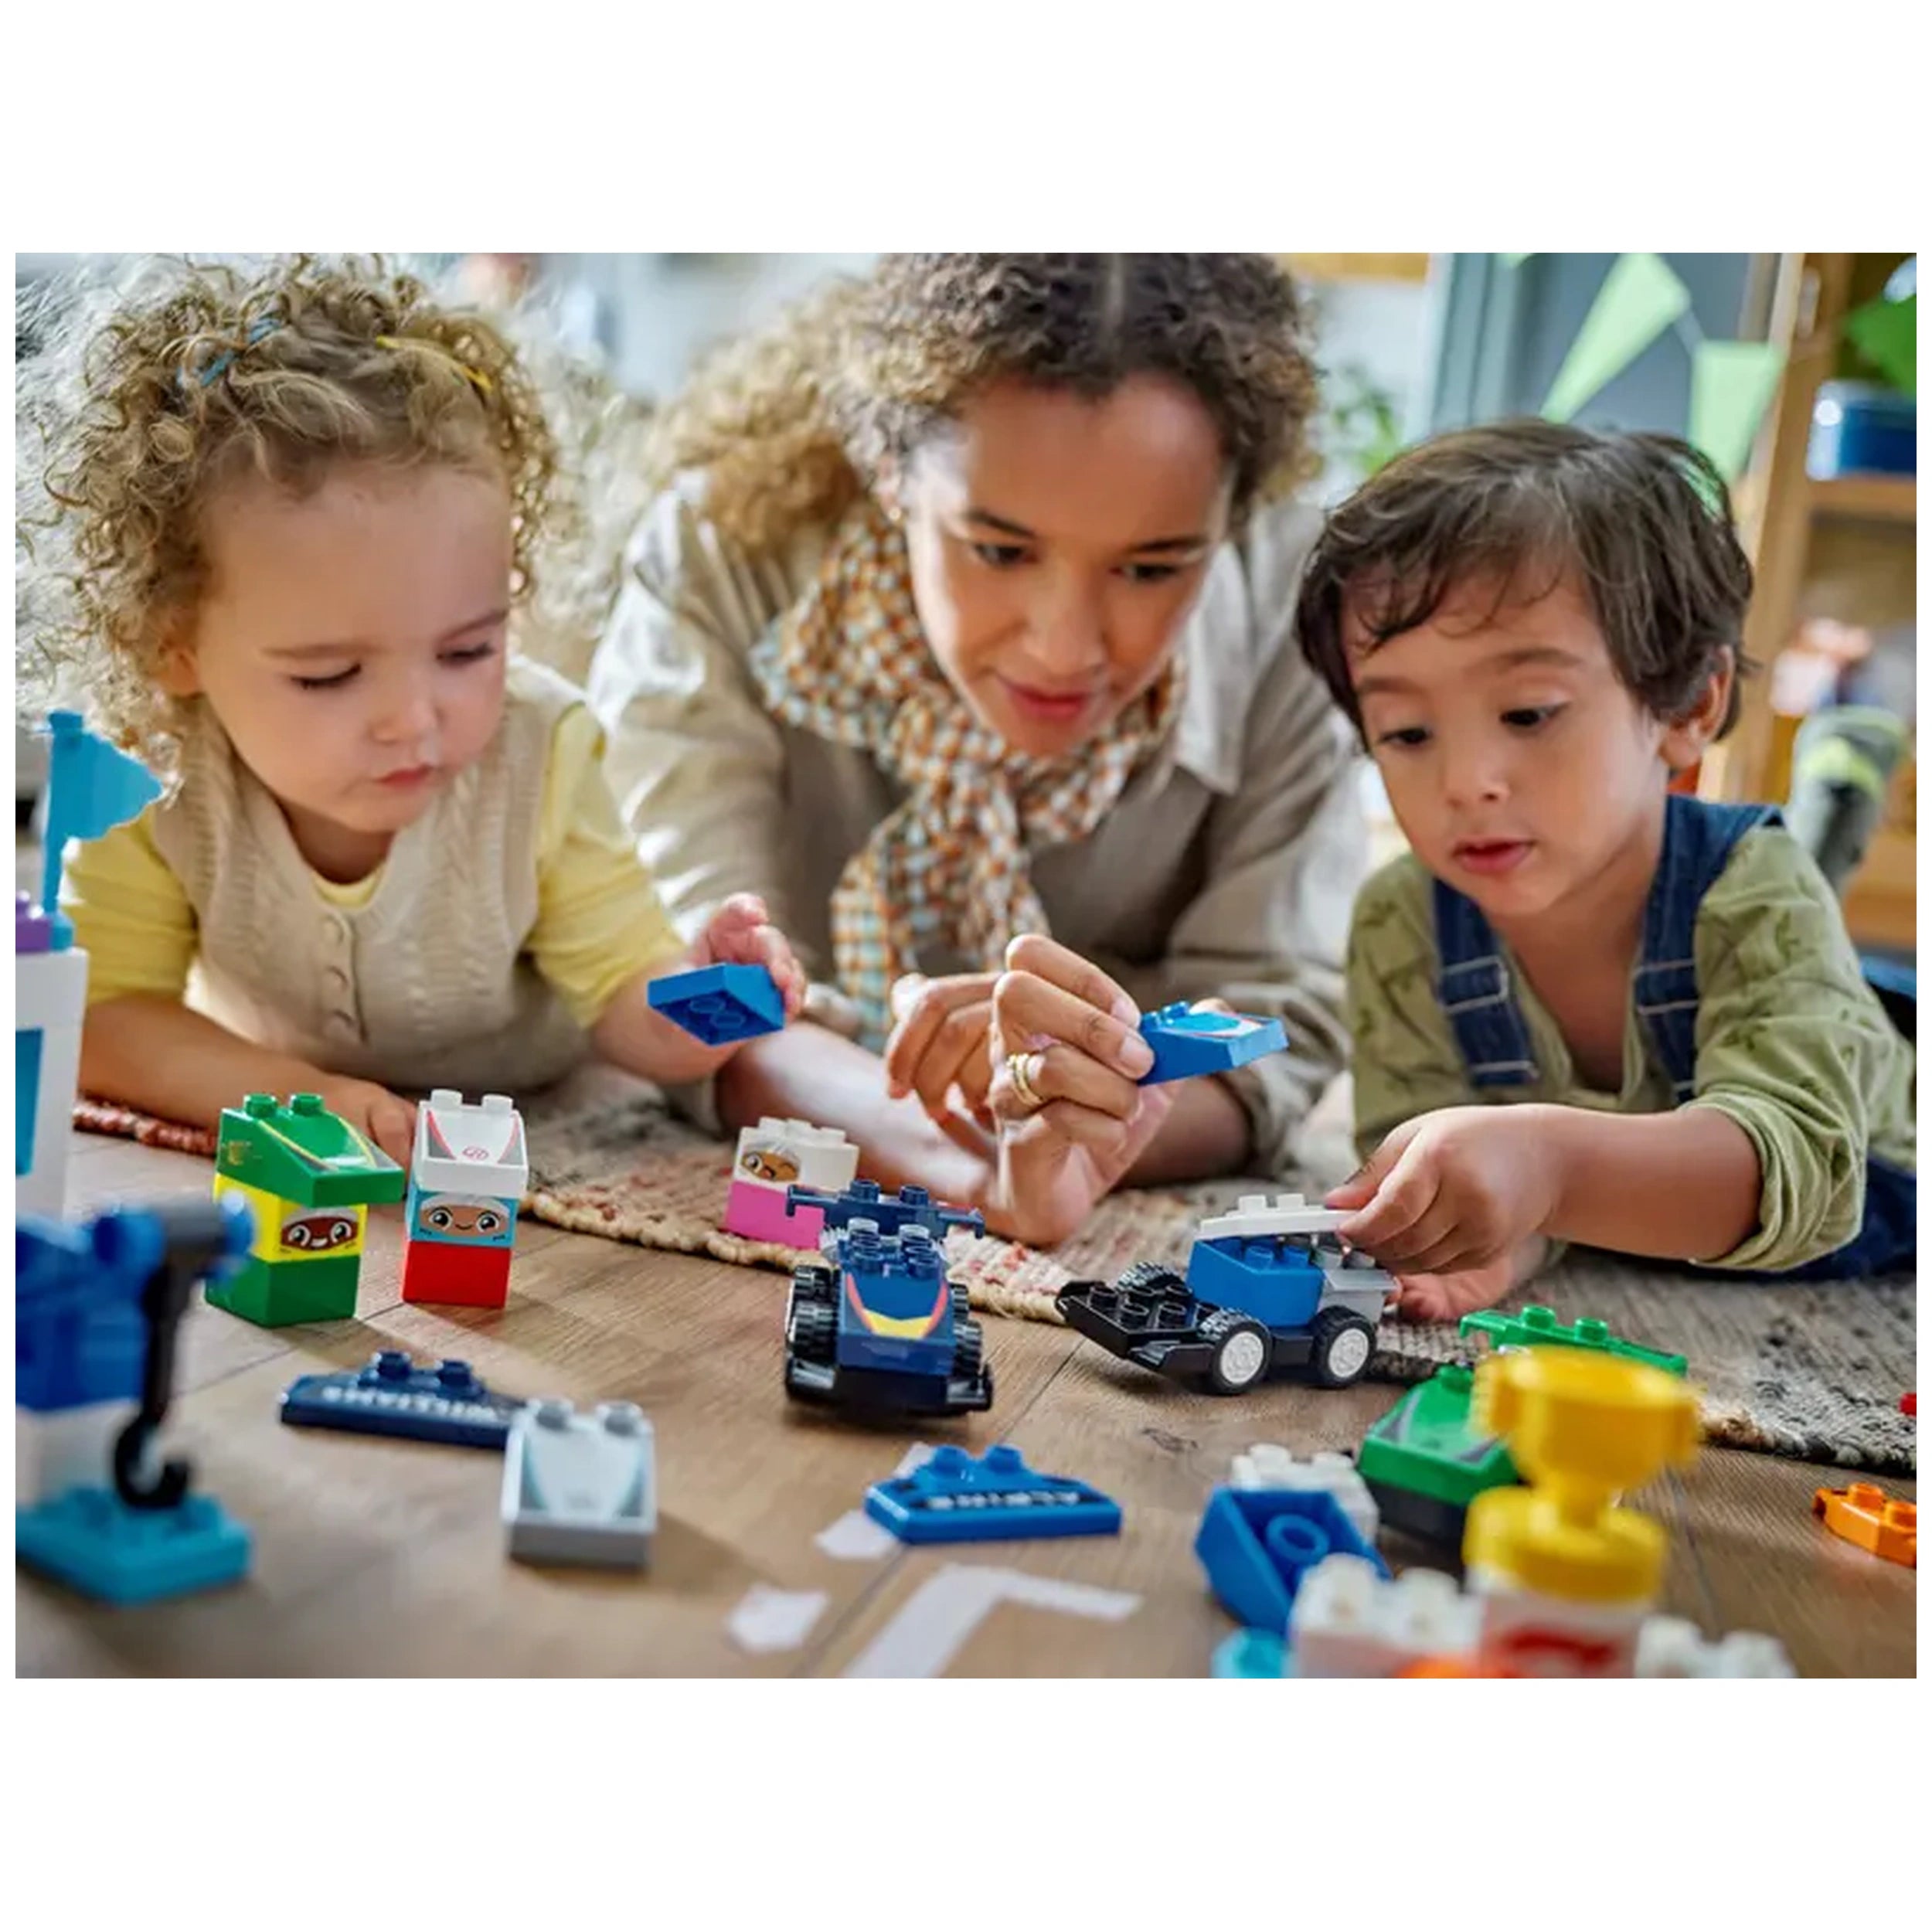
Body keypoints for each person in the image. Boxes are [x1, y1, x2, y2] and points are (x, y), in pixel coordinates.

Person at [588, 253, 1366, 1246]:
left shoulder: (1288, 617)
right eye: (998, 550)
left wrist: (1091, 1124)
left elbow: (1273, 1026)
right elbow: (696, 996)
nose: (1064, 646)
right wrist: (978, 1161)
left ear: (1233, 519)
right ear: (888, 475)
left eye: (1152, 567)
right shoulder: (719, 552)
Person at [17, 254, 804, 1168]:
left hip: (529, 1123)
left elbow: (626, 1000)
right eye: (330, 674)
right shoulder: (147, 770)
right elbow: (106, 1017)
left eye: (468, 651)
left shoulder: (543, 751)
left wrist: (715, 996)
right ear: (170, 643)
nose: (412, 722)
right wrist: (304, 1099)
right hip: (285, 1101)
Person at [1294, 420, 1915, 1317]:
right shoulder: (1404, 921)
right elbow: (1437, 1155)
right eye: (1407, 733)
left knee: (1813, 910)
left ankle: (1841, 783)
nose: (1467, 783)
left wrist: (1549, 1165)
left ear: (1688, 705)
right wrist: (1491, 1236)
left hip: (1882, 1154)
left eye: (1529, 712)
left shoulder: (1749, 887)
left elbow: (1807, 1174)